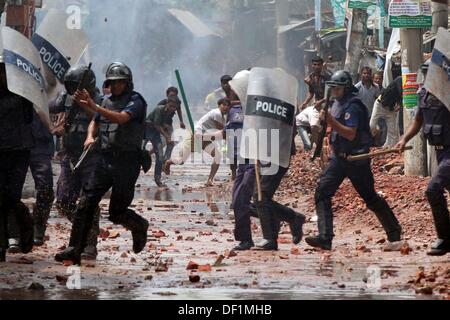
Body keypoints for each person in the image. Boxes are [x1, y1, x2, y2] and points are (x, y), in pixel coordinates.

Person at [55, 62, 149, 265]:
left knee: (116, 212)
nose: (115, 86)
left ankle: (139, 225)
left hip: (127, 162)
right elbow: (95, 121)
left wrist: (94, 106)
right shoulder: (106, 101)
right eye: (112, 83)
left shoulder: (135, 101)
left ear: (127, 83)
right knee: (85, 204)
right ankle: (75, 248)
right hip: (105, 159)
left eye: (119, 83)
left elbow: (121, 119)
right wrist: (90, 136)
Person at [305, 71, 402, 251]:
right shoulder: (336, 104)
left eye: (337, 87)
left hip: (356, 159)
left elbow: (350, 134)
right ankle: (325, 238)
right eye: (332, 87)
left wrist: (331, 121)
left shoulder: (354, 106)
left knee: (370, 197)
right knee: (322, 192)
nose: (334, 91)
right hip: (339, 159)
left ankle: (394, 232)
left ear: (346, 88)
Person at [396, 62, 450, 256]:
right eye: (424, 74)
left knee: (433, 189)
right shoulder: (423, 94)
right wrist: (404, 139)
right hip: (439, 152)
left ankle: (445, 238)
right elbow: (418, 121)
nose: (425, 78)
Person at [50, 65, 103, 260]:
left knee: (88, 201)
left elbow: (101, 120)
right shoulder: (65, 98)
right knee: (63, 201)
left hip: (92, 156)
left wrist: (83, 105)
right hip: (69, 155)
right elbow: (47, 106)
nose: (73, 90)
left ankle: (90, 243)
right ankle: (83, 227)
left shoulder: (98, 99)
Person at [0, 63, 35, 262]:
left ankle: (26, 225)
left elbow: (29, 117)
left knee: (11, 198)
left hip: (18, 151)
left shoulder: (22, 93)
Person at [164, 98, 231, 187]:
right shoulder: (217, 113)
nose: (226, 107)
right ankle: (168, 162)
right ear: (219, 105)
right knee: (181, 161)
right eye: (224, 105)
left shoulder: (222, 117)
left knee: (217, 156)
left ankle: (210, 180)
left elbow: (222, 132)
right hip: (196, 136)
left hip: (205, 138)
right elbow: (222, 129)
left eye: (228, 105)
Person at [145, 96, 180, 187]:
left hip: (156, 133)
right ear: (167, 103)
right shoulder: (159, 109)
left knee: (160, 155)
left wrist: (168, 128)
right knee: (138, 152)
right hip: (146, 130)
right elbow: (156, 124)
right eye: (171, 106)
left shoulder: (170, 113)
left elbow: (161, 123)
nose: (172, 109)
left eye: (174, 107)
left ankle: (157, 179)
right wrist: (167, 136)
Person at [370, 76, 403, 148]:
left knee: (393, 132)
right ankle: (370, 144)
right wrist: (400, 104)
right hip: (380, 105)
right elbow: (401, 93)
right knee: (372, 126)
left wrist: (398, 104)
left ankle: (389, 148)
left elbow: (399, 95)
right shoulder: (400, 79)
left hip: (390, 109)